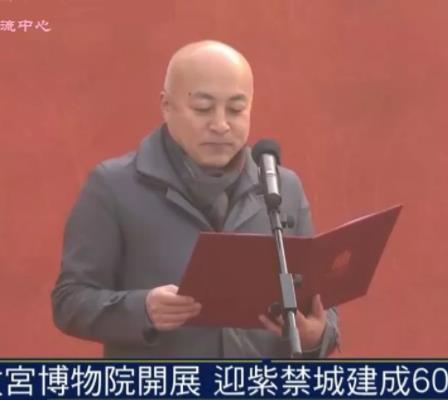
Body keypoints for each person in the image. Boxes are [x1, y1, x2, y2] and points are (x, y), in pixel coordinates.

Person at [51, 40, 339, 358]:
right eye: (202, 109)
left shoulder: (281, 188)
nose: (220, 125)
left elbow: (319, 303)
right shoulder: (114, 186)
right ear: (166, 106)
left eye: (236, 109)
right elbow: (70, 301)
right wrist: (141, 309)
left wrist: (317, 335)